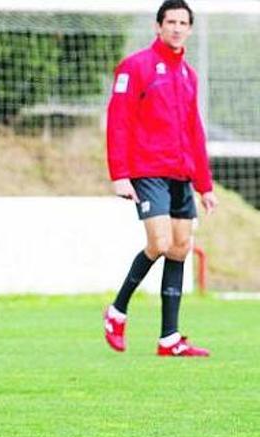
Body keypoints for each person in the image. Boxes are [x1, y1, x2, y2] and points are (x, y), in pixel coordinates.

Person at [103, 0, 218, 357]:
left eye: (183, 22)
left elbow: (194, 131)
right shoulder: (136, 67)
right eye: (171, 21)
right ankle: (117, 310)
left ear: (190, 29)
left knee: (181, 246)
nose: (177, 28)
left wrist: (205, 185)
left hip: (181, 173)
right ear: (158, 26)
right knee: (160, 242)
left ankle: (169, 338)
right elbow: (118, 120)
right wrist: (120, 174)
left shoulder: (188, 75)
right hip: (148, 170)